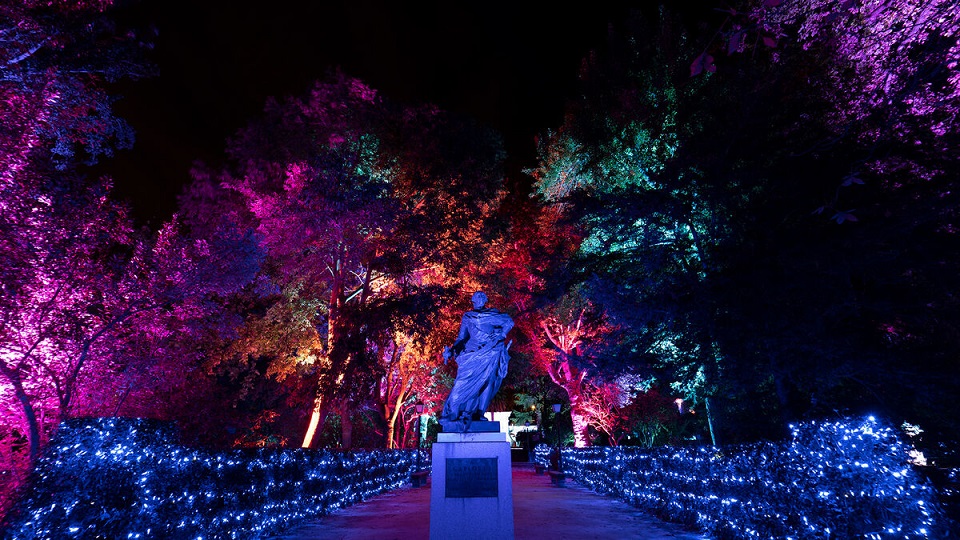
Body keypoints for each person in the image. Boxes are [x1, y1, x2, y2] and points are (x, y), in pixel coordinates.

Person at [439, 291, 514, 432]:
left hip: (490, 352)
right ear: (473, 301)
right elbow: (461, 338)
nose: (479, 299)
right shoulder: (468, 316)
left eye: (482, 297)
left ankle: (479, 414)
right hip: (471, 354)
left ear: (485, 300)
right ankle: (454, 412)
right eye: (476, 298)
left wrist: (501, 335)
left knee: (487, 382)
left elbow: (509, 322)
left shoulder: (493, 314)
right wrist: (452, 350)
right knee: (461, 384)